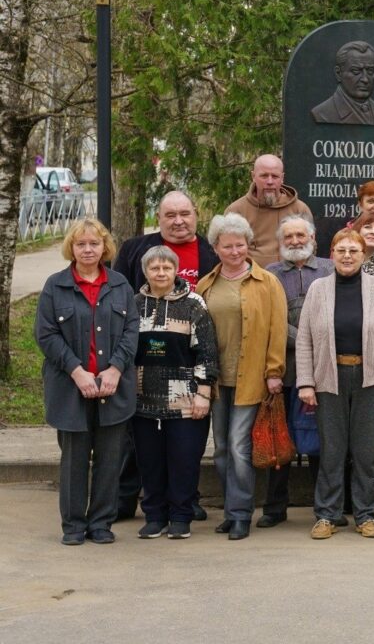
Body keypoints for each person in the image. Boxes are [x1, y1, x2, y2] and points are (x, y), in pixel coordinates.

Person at [112, 189, 219, 522]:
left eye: (184, 214)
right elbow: (118, 293)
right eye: (170, 215)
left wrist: (204, 383)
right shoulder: (134, 250)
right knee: (139, 444)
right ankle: (127, 499)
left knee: (184, 445)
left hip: (187, 364)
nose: (178, 221)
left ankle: (185, 502)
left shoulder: (211, 252)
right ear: (158, 218)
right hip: (142, 368)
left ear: (196, 214)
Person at [36, 219, 139, 545]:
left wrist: (115, 369)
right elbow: (46, 334)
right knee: (74, 460)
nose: (88, 249)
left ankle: (101, 523)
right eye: (81, 244)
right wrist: (77, 371)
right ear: (72, 248)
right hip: (70, 388)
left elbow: (131, 331)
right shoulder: (55, 286)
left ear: (105, 247)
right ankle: (73, 526)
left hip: (113, 388)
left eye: (94, 243)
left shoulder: (120, 285)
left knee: (110, 460)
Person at [196, 212, 288, 540]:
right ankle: (232, 506)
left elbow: (278, 329)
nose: (235, 251)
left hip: (252, 378)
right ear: (215, 248)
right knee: (221, 448)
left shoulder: (267, 283)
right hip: (217, 380)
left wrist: (274, 371)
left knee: (238, 445)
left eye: (240, 245)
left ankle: (240, 514)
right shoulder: (206, 285)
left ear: (248, 245)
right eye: (227, 246)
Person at [295, 230, 374, 540]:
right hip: (329, 377)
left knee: (366, 450)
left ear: (363, 255)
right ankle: (327, 515)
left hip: (370, 378)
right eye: (341, 250)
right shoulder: (318, 289)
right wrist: (306, 382)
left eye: (353, 250)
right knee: (332, 450)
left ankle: (366, 514)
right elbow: (304, 339)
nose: (347, 256)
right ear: (332, 253)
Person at [129, 246, 219, 540]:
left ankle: (181, 516)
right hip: (142, 398)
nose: (161, 273)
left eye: (166, 268)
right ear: (145, 272)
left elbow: (207, 351)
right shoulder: (134, 304)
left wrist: (204, 392)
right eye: (154, 268)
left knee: (184, 461)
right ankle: (155, 516)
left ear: (176, 270)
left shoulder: (194, 303)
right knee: (150, 462)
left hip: (186, 399)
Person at [262, 215, 335, 528]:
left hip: (324, 369)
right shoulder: (270, 274)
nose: (294, 241)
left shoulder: (331, 269)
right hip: (285, 369)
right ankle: (274, 508)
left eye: (300, 235)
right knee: (281, 440)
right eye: (288, 237)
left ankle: (325, 508)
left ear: (313, 238)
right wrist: (305, 339)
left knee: (321, 441)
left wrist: (317, 343)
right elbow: (270, 321)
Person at [224, 154, 313, 266]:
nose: (270, 181)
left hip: (292, 274)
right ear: (253, 176)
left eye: (275, 176)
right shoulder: (236, 211)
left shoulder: (299, 209)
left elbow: (311, 246)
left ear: (282, 178)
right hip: (251, 275)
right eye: (264, 176)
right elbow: (228, 250)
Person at [309, 40, 374, 126]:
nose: (365, 79)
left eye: (370, 71)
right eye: (356, 71)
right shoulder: (323, 114)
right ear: (338, 73)